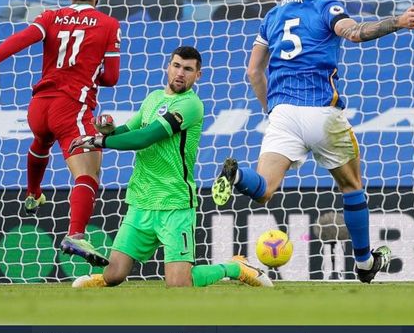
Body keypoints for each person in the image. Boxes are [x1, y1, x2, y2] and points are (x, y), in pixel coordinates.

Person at [211, 0, 414, 283]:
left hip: (282, 112)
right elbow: (355, 33)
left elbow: (254, 71)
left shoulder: (273, 16)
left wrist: (270, 109)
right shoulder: (329, 7)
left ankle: (236, 176)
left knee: (265, 188)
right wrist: (398, 21)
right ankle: (364, 262)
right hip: (322, 113)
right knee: (352, 186)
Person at [0, 0, 121, 266]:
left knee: (41, 141)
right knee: (89, 172)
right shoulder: (108, 25)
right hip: (70, 108)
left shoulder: (49, 17)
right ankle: (75, 233)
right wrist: (90, 70)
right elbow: (111, 78)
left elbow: (15, 43)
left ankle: (33, 191)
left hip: (39, 107)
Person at [71, 47, 272, 288]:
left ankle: (235, 267)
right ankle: (104, 277)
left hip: (175, 205)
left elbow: (145, 137)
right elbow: (129, 131)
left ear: (198, 75)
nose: (180, 73)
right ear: (168, 66)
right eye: (176, 66)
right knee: (113, 275)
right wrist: (102, 132)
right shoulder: (153, 98)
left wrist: (101, 141)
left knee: (179, 283)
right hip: (141, 202)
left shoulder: (190, 105)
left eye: (188, 69)